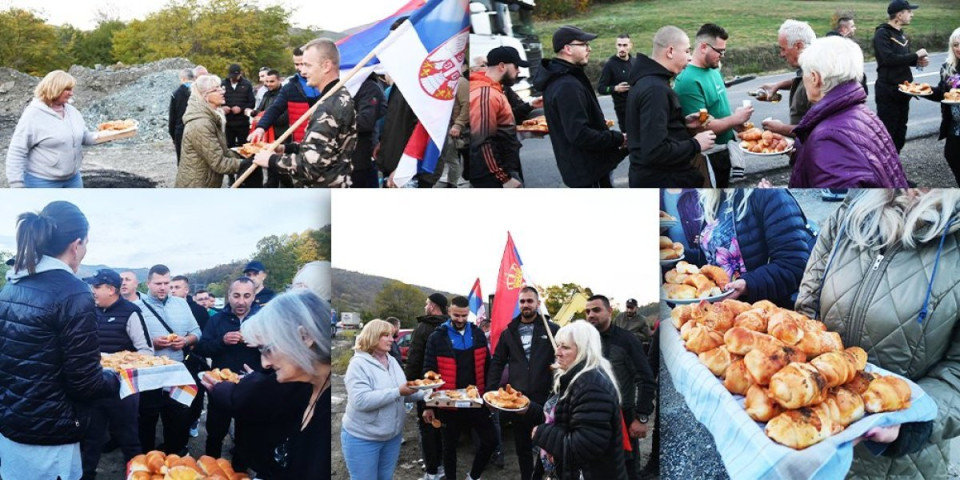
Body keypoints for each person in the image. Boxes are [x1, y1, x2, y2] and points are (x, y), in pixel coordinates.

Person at [794, 189, 960, 479]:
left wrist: (909, 424)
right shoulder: (848, 214)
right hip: (816, 434)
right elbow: (807, 312)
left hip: (901, 462)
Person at [0, 201, 120, 480]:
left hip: (12, 422)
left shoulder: (12, 284)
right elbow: (84, 382)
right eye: (86, 244)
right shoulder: (73, 292)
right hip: (50, 433)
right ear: (76, 245)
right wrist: (114, 379)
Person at [790, 37, 908, 188]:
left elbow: (834, 205)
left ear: (814, 78)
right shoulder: (861, 112)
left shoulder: (828, 139)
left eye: (804, 73)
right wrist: (803, 152)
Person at [239, 289, 331, 479]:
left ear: (304, 337)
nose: (265, 363)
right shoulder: (302, 390)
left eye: (267, 350)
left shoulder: (328, 412)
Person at [526, 320, 626, 480]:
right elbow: (561, 419)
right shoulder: (575, 378)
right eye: (558, 345)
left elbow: (584, 447)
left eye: (565, 347)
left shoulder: (591, 386)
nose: (557, 352)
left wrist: (541, 433)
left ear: (584, 351)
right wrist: (528, 408)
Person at [253, 38, 356, 187]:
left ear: (326, 66)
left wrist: (271, 160)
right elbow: (323, 147)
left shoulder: (330, 106)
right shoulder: (336, 96)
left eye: (307, 65)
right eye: (300, 65)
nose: (302, 71)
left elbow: (311, 167)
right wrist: (286, 148)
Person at [79, 269, 152, 480]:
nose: (92, 291)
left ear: (111, 289)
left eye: (96, 287)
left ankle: (138, 475)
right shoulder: (90, 311)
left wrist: (121, 363)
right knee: (92, 439)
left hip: (123, 389)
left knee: (129, 438)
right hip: (94, 385)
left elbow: (146, 351)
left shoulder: (131, 312)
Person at [533, 25, 627, 188]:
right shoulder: (567, 84)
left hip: (583, 169)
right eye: (584, 44)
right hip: (588, 172)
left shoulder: (564, 78)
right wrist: (619, 138)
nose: (589, 49)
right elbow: (579, 134)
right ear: (568, 49)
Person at [691, 189, 815, 307]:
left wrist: (748, 285)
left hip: (759, 314)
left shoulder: (769, 194)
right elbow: (713, 258)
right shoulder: (712, 197)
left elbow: (793, 264)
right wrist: (677, 257)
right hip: (720, 311)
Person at [626, 26, 715, 188]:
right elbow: (654, 151)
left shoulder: (651, 82)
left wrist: (682, 124)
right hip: (662, 183)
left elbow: (653, 131)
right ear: (670, 51)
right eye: (687, 51)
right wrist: (696, 144)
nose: (689, 58)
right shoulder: (655, 89)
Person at [486, 287, 560, 480]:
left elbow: (564, 360)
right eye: (522, 301)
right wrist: (491, 392)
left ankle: (546, 475)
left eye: (530, 301)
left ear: (537, 303)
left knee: (548, 444)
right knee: (523, 447)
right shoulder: (509, 332)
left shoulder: (552, 330)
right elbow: (497, 362)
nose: (526, 305)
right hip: (517, 400)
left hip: (546, 398)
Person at [422, 296, 497, 480]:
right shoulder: (437, 337)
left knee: (491, 440)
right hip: (448, 403)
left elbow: (488, 365)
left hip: (476, 400)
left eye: (464, 315)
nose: (461, 320)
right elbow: (428, 372)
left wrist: (490, 394)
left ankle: (473, 476)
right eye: (457, 315)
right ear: (449, 312)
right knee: (449, 449)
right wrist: (428, 405)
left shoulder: (478, 334)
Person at [342, 319, 425, 479]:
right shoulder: (358, 364)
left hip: (392, 437)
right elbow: (360, 400)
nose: (392, 339)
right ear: (372, 336)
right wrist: (397, 391)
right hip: (363, 438)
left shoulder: (392, 360)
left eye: (392, 335)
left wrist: (428, 394)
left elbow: (404, 393)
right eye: (385, 335)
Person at [584, 295, 656, 480]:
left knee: (627, 470)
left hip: (623, 416)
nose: (591, 315)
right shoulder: (585, 341)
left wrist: (641, 416)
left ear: (610, 311)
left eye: (596, 310)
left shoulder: (627, 340)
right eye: (588, 311)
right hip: (592, 417)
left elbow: (646, 379)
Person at [674, 23, 753, 188]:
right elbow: (701, 128)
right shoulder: (688, 81)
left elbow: (717, 107)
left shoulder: (714, 70)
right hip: (709, 156)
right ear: (703, 47)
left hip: (724, 150)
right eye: (720, 51)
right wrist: (735, 118)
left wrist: (736, 124)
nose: (722, 55)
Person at [134, 264, 202, 455]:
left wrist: (186, 340)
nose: (163, 287)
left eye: (166, 283)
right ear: (148, 283)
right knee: (146, 419)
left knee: (177, 417)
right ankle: (146, 458)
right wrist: (153, 343)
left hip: (177, 373)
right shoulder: (137, 308)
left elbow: (197, 332)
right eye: (158, 283)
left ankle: (174, 455)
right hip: (149, 375)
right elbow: (130, 343)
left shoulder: (181, 304)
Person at [195, 277, 262, 458]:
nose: (241, 301)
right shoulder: (217, 320)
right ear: (229, 296)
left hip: (252, 386)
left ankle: (240, 471)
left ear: (254, 296)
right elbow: (202, 348)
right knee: (215, 432)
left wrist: (260, 343)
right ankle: (211, 467)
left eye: (247, 296)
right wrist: (222, 341)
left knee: (246, 434)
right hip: (221, 386)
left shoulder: (264, 320)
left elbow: (279, 351)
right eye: (236, 295)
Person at [5, 71, 106, 188]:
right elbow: (17, 151)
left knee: (75, 206)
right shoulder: (33, 115)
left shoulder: (72, 111)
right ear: (54, 88)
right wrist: (16, 184)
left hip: (73, 179)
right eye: (67, 89)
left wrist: (108, 135)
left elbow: (83, 136)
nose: (71, 93)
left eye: (72, 89)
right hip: (42, 182)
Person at [874, 0, 929, 153]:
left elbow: (902, 61)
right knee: (887, 135)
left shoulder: (901, 35)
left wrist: (918, 62)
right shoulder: (882, 33)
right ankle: (883, 172)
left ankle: (895, 170)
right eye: (909, 11)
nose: (912, 14)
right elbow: (888, 59)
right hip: (888, 92)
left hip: (904, 91)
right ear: (899, 15)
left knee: (900, 133)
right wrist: (915, 55)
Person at [403, 293, 448, 480]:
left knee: (427, 427)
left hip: (426, 386)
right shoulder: (450, 326)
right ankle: (441, 465)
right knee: (442, 427)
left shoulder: (423, 328)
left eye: (426, 304)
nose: (425, 306)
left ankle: (432, 470)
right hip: (448, 386)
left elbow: (414, 358)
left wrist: (409, 384)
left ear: (433, 306)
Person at [175, 74, 249, 188]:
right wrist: (249, 164)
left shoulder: (212, 117)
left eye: (221, 87)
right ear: (205, 96)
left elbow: (222, 151)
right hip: (197, 186)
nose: (222, 91)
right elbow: (219, 163)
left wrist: (246, 154)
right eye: (216, 89)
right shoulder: (201, 124)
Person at [469, 46, 526, 188]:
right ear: (502, 66)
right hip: (494, 177)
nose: (519, 70)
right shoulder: (486, 94)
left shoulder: (493, 88)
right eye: (516, 66)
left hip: (503, 169)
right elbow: (482, 141)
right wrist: (504, 179)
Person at [249, 48, 320, 146]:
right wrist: (261, 127)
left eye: (303, 64)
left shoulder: (324, 86)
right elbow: (275, 108)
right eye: (296, 64)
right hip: (299, 143)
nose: (300, 69)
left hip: (322, 140)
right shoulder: (290, 87)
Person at [760, 20, 817, 138]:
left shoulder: (818, 75)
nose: (781, 54)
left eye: (783, 49)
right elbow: (801, 81)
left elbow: (816, 129)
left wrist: (781, 129)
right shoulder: (810, 67)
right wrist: (779, 85)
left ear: (799, 45)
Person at [922, 27, 960, 185]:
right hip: (955, 126)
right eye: (956, 44)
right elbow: (942, 94)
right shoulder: (948, 68)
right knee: (951, 155)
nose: (959, 49)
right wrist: (922, 91)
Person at [351, 74, 387, 188]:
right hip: (346, 160)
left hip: (362, 160)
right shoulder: (347, 85)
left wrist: (335, 121)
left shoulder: (369, 87)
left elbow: (366, 121)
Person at [597, 34, 637, 131]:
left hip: (638, 107)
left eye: (625, 45)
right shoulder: (610, 64)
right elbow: (601, 88)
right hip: (623, 110)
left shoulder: (635, 62)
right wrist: (615, 88)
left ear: (630, 45)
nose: (622, 48)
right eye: (619, 45)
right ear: (616, 46)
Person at [169, 68, 195, 164]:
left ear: (183, 78)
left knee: (182, 160)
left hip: (181, 130)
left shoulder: (176, 94)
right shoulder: (199, 92)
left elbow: (172, 117)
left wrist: (173, 135)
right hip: (196, 129)